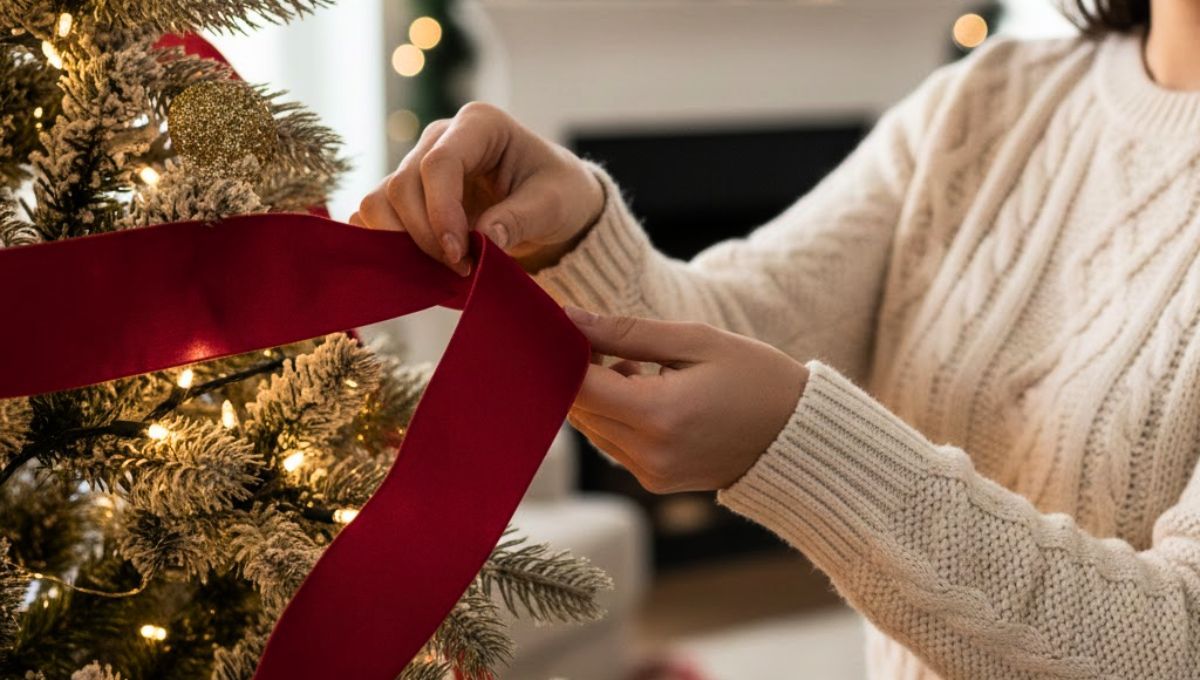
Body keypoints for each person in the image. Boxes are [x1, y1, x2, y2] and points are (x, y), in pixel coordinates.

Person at [351, 1, 1200, 677]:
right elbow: (751, 316)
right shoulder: (993, 97)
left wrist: (803, 449)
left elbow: (1176, 644)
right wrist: (578, 233)